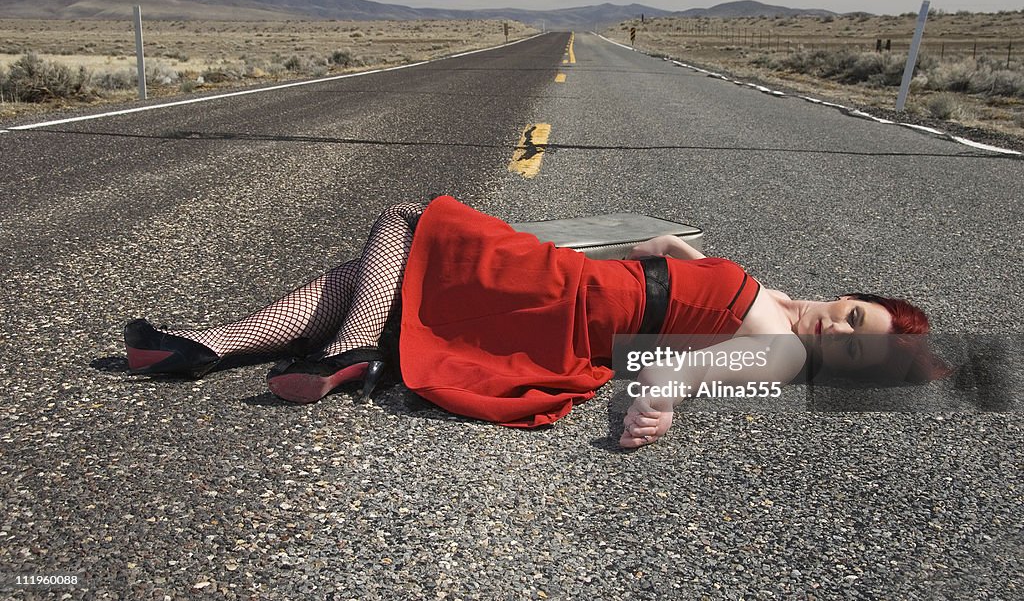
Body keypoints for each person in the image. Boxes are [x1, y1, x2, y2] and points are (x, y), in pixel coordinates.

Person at [124, 196, 939, 448]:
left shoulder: (782, 355)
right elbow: (671, 265)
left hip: (569, 300)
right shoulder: (783, 304)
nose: (841, 328)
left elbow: (676, 371)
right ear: (853, 295)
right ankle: (208, 345)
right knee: (390, 271)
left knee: (410, 220)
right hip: (582, 284)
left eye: (855, 345)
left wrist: (656, 408)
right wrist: (673, 251)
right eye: (858, 315)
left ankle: (344, 349)